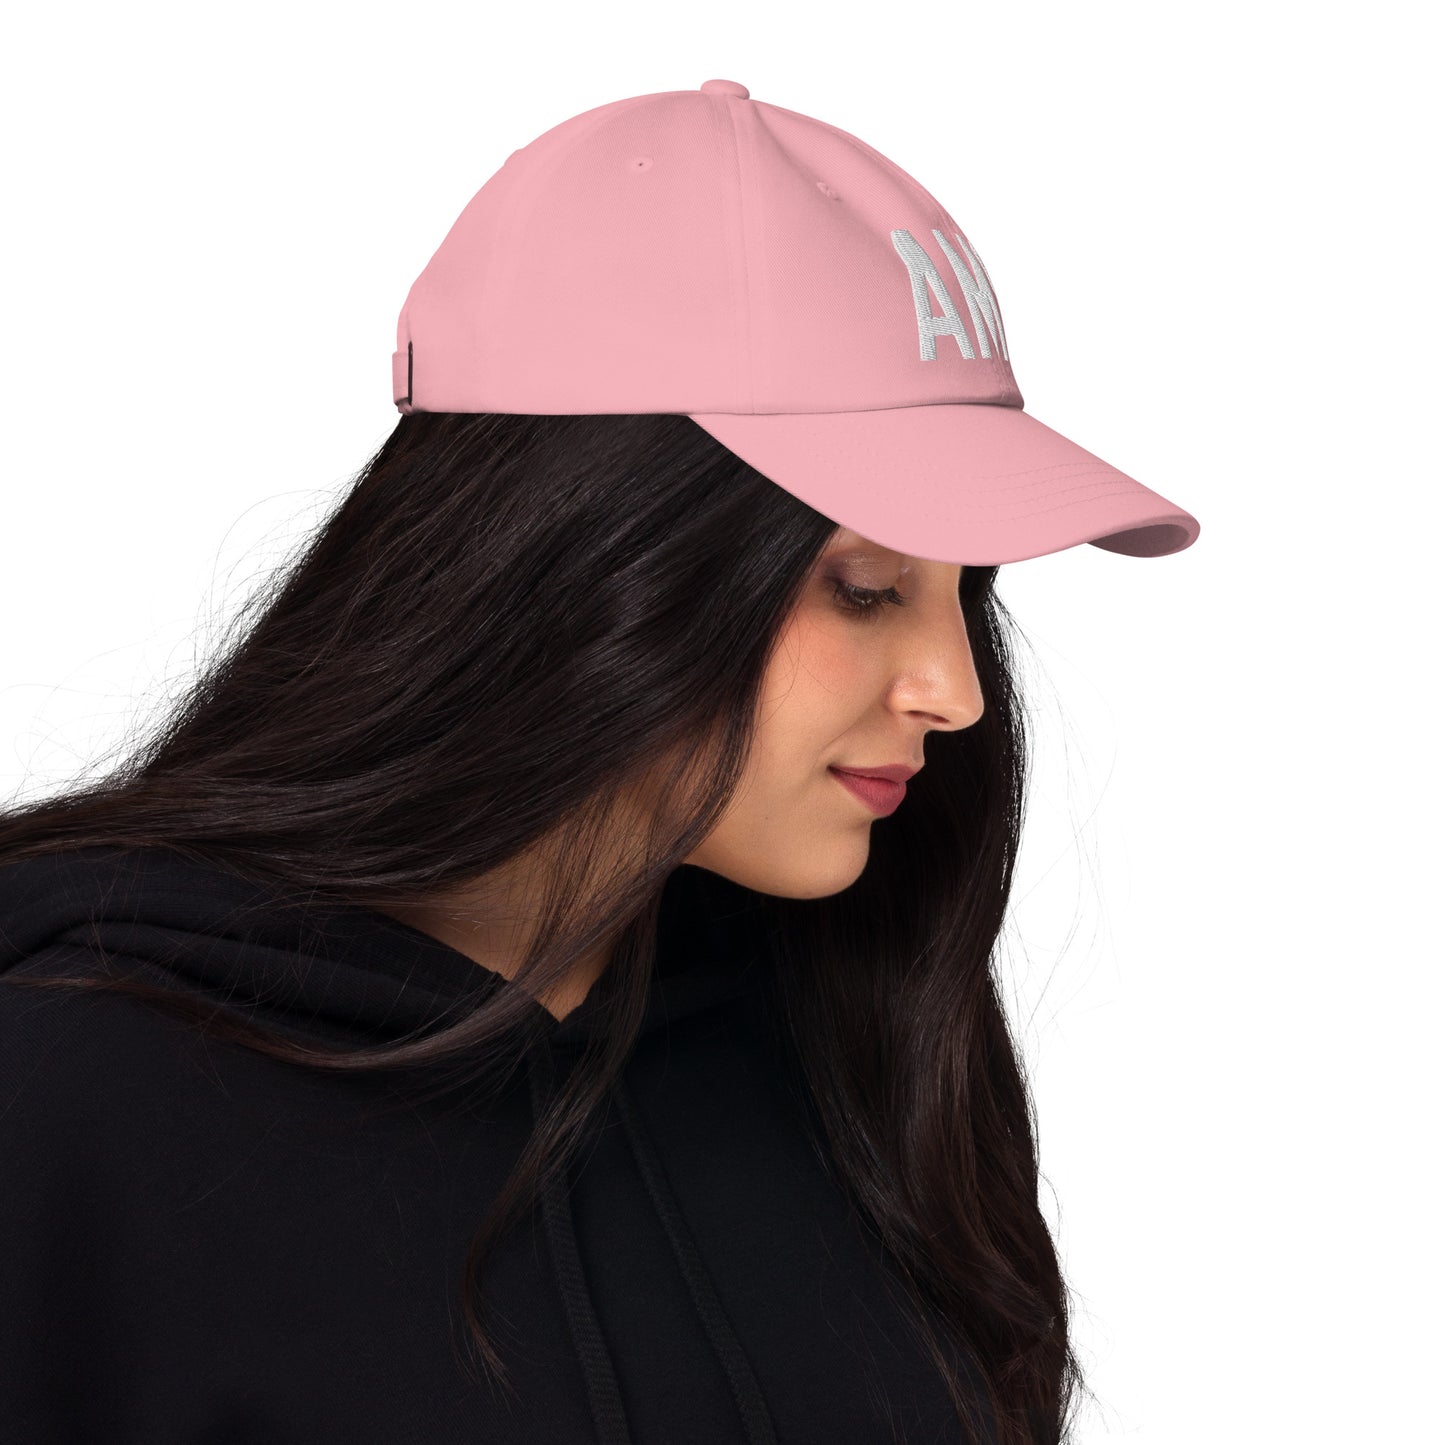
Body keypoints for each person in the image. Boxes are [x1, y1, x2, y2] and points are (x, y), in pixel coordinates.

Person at [0, 78, 1199, 1445]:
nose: (956, 692)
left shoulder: (850, 1057)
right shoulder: (68, 1094)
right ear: (591, 568)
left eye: (964, 589)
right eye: (866, 586)